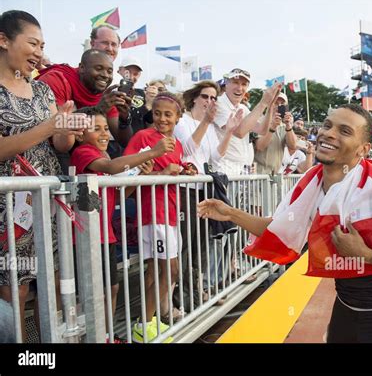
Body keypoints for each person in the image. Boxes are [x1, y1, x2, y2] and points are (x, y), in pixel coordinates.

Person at [198, 104, 372, 343]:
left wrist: (366, 255)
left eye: (344, 131)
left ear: (363, 149)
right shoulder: (311, 180)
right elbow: (278, 229)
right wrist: (230, 213)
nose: (329, 133)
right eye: (327, 126)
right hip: (345, 311)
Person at [0, 10, 90, 341]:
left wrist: (67, 126)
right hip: (8, 213)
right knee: (15, 292)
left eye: (43, 46)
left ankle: (45, 347)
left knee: (51, 284)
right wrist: (49, 126)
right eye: (32, 43)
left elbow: (58, 141)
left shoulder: (41, 91)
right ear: (4, 40)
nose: (39, 52)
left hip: (44, 206)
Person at [70, 106, 168, 343]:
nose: (105, 134)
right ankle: (93, 337)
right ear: (81, 134)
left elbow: (119, 196)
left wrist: (141, 176)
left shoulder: (103, 156)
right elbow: (112, 168)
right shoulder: (83, 153)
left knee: (111, 289)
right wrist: (151, 153)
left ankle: (106, 335)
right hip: (87, 238)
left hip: (106, 236)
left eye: (106, 128)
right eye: (96, 129)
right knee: (94, 293)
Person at [123, 92, 195, 343]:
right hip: (153, 213)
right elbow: (126, 170)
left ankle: (149, 324)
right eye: (157, 113)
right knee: (170, 270)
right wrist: (162, 171)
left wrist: (184, 171)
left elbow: (172, 170)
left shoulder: (176, 143)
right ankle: (143, 323)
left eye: (168, 114)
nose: (162, 119)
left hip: (171, 213)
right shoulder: (143, 136)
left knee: (158, 270)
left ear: (177, 117)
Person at [173, 81, 243, 310]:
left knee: (201, 244)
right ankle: (181, 296)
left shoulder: (212, 127)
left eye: (214, 98)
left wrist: (230, 131)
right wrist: (205, 121)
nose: (210, 102)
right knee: (185, 244)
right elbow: (187, 150)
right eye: (206, 96)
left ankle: (194, 290)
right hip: (185, 191)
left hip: (205, 190)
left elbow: (215, 158)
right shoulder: (182, 120)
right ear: (194, 97)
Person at [37, 49, 133, 166]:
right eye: (98, 69)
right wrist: (99, 110)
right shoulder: (58, 80)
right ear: (82, 68)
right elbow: (60, 134)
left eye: (109, 71)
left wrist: (124, 117)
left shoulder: (105, 94)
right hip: (46, 151)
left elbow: (124, 141)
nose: (105, 75)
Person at [213, 68, 281, 176]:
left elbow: (262, 130)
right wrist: (263, 103)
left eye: (244, 84)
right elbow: (239, 132)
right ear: (226, 84)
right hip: (223, 168)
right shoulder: (218, 104)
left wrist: (270, 105)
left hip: (239, 170)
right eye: (235, 82)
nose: (239, 88)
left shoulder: (242, 108)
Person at [254, 93, 297, 174]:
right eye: (276, 103)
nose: (279, 106)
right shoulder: (260, 121)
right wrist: (273, 127)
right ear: (269, 104)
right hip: (259, 173)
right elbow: (260, 147)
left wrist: (288, 125)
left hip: (276, 174)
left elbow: (293, 146)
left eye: (282, 104)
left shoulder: (285, 126)